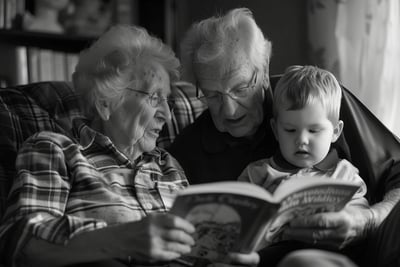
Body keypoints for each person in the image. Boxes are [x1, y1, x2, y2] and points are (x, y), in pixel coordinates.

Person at [0, 25, 258, 267]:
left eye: (167, 101)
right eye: (155, 98)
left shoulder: (168, 166)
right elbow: (21, 242)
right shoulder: (55, 151)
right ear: (105, 103)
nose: (167, 115)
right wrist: (122, 238)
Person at [168, 7, 400, 267]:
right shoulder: (188, 151)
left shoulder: (314, 101)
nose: (229, 109)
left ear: (264, 68)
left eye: (241, 88)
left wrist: (365, 221)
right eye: (212, 95)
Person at [238, 65, 369, 243]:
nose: (302, 140)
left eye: (314, 131)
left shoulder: (345, 175)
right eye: (290, 130)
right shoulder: (257, 174)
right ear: (276, 131)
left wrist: (346, 216)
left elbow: (359, 217)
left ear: (335, 132)